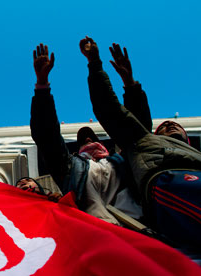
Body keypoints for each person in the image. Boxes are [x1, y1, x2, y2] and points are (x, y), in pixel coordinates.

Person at [80, 36, 201, 249]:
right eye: (164, 126)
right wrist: (95, 64)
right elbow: (110, 109)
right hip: (172, 183)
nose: (170, 125)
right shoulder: (144, 141)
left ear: (188, 139)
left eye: (175, 125)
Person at [30, 43, 131, 224]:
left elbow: (132, 126)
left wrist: (129, 84)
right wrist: (42, 84)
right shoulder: (70, 169)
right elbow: (47, 137)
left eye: (92, 137)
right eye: (83, 139)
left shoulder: (125, 161)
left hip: (144, 231)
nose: (87, 138)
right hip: (96, 234)